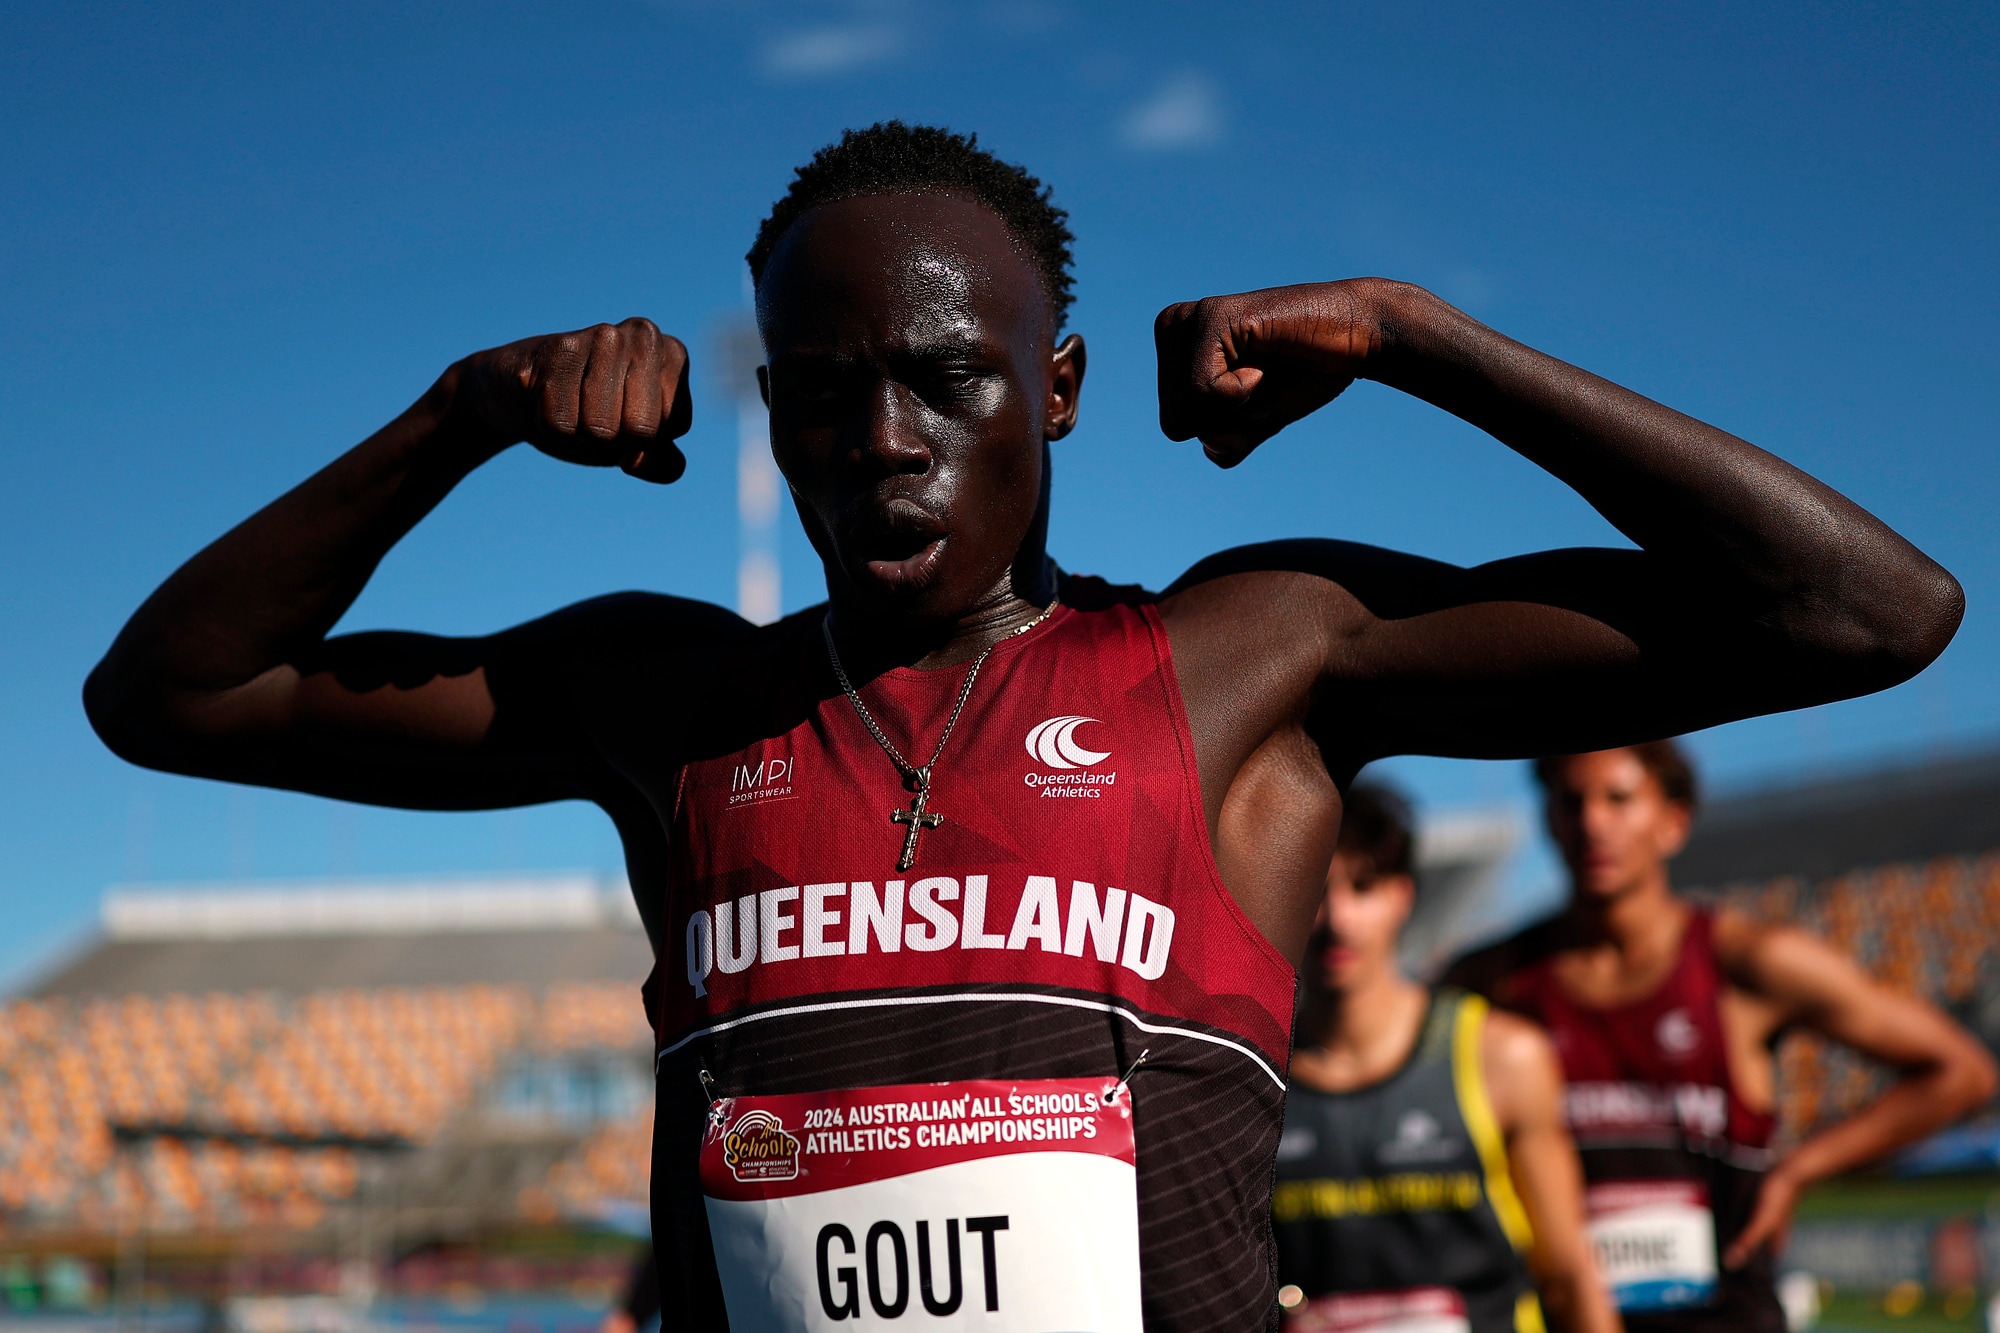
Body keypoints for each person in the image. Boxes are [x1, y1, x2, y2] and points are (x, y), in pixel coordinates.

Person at [84, 121, 1964, 1332]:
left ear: (1056, 387)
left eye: (948, 379)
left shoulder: (1243, 660)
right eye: (823, 395)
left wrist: (1420, 336)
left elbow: (1868, 611)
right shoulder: (676, 699)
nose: (884, 444)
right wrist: (459, 416)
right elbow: (169, 695)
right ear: (772, 412)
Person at [1448, 743, 1996, 1333]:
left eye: (1619, 799)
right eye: (1571, 801)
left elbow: (1962, 1072)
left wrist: (1800, 1169)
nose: (1593, 823)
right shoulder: (1495, 982)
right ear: (1549, 820)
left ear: (1673, 822)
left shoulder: (1748, 962)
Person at [1277, 786, 1618, 1333]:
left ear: (1403, 895)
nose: (1338, 919)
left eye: (1363, 887)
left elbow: (1570, 1275)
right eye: (1313, 891)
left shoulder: (1502, 1057)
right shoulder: (1248, 1076)